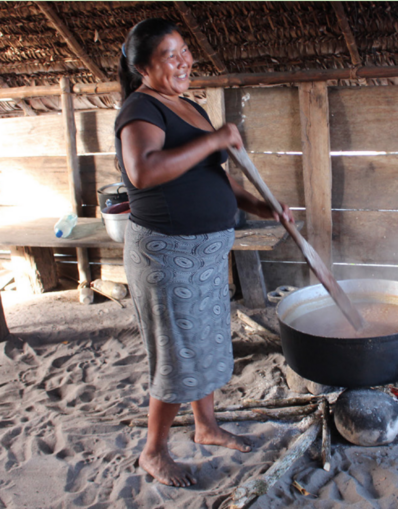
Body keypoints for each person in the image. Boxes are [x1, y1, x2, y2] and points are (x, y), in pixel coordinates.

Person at [115, 18, 294, 487]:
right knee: (178, 351)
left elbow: (217, 179)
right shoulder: (141, 109)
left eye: (185, 51)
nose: (184, 61)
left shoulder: (187, 105)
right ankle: (153, 452)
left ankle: (206, 427)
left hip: (206, 252)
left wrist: (262, 206)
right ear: (141, 67)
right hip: (168, 254)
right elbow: (143, 171)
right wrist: (215, 139)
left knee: (206, 340)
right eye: (170, 55)